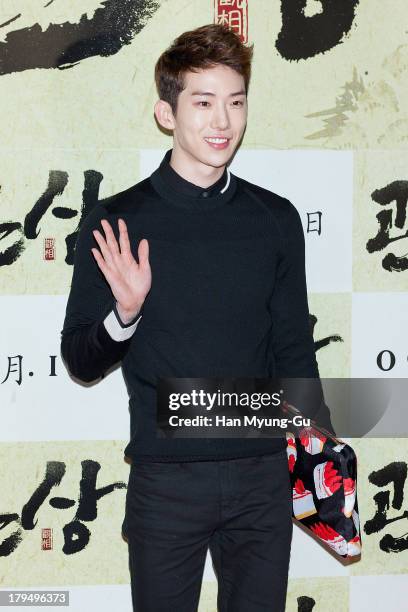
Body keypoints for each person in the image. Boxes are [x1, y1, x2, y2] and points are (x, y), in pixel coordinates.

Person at [61, 22, 335, 612]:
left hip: (262, 475)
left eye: (235, 102)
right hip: (167, 481)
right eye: (203, 102)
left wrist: (320, 458)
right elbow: (80, 357)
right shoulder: (116, 221)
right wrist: (125, 313)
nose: (222, 121)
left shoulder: (275, 219)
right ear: (167, 113)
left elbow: (292, 349)